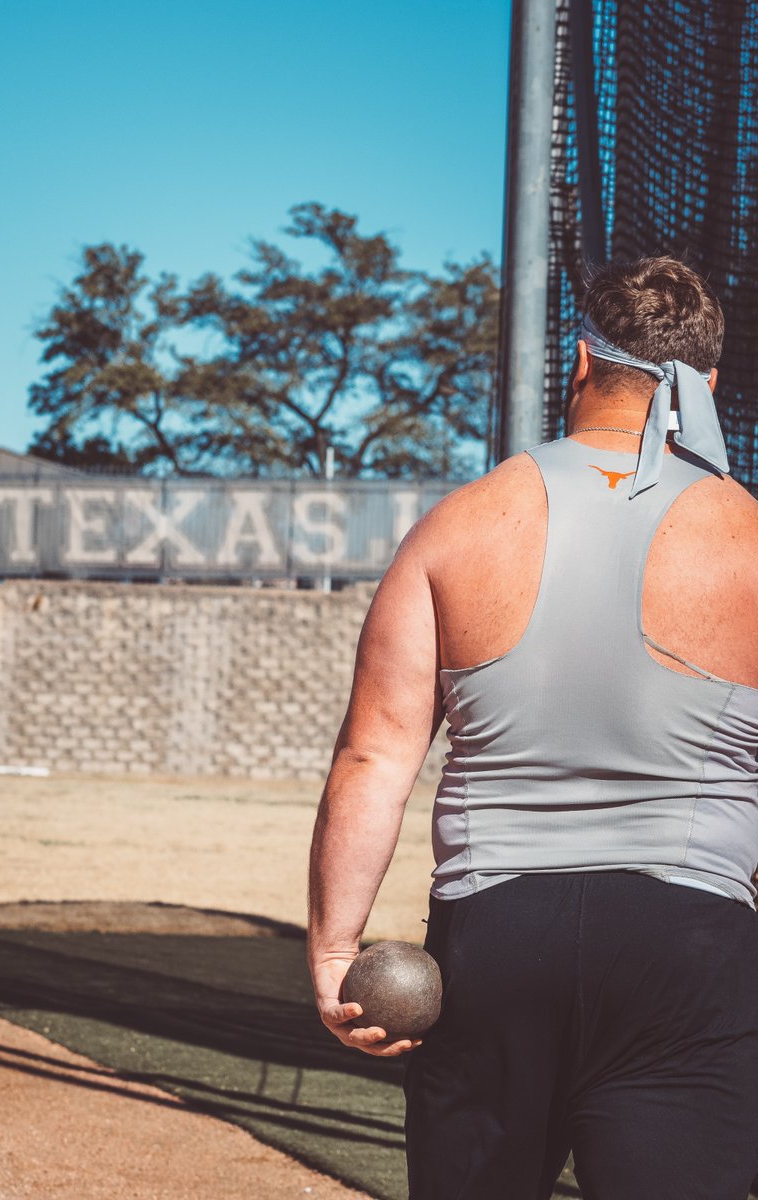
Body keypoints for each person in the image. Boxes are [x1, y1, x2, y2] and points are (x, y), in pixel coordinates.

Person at [307, 256, 758, 1200]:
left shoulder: (457, 527)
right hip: (688, 947)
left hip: (494, 943)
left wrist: (334, 954)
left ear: (582, 365)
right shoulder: (747, 535)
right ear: (706, 389)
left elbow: (374, 758)